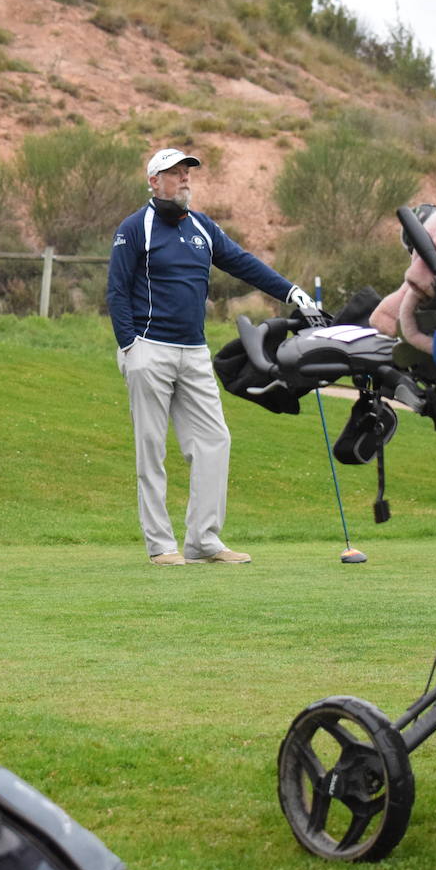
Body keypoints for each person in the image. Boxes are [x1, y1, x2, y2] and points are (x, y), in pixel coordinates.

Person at [106, 147, 313, 566]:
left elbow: (244, 264)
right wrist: (130, 346)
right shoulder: (136, 228)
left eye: (187, 172)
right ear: (154, 181)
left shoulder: (202, 227)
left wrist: (292, 293)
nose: (184, 179)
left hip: (194, 351)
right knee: (152, 448)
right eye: (174, 173)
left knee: (215, 440)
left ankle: (203, 540)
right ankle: (161, 545)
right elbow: (116, 290)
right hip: (149, 348)